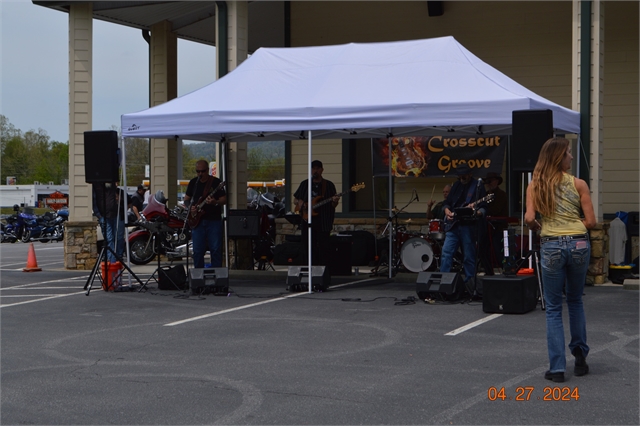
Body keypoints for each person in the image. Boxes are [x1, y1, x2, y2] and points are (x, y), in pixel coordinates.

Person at [525, 137, 596, 383]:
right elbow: (591, 222)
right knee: (575, 301)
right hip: (578, 243)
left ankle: (556, 369)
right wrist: (574, 227)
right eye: (568, 153)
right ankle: (580, 357)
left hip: (551, 245)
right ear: (559, 157)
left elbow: (529, 218)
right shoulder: (579, 184)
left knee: (554, 308)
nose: (572, 157)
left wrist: (539, 226)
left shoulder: (536, 185)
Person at [439, 163, 487, 292]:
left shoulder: (477, 186)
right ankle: (444, 283)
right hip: (453, 224)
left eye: (464, 176)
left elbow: (484, 206)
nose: (461, 178)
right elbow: (446, 203)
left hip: (468, 225)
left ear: (470, 174)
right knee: (446, 252)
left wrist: (478, 212)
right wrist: (446, 211)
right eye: (460, 176)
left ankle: (470, 285)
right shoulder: (456, 186)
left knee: (469, 256)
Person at [293, 160, 339, 266]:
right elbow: (295, 200)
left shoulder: (328, 185)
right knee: (308, 247)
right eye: (313, 168)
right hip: (307, 221)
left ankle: (323, 271)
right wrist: (300, 202)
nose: (315, 171)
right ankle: (308, 269)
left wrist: (335, 201)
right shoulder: (305, 184)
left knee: (324, 248)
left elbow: (333, 206)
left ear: (322, 170)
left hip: (323, 221)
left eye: (318, 168)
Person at [184, 160, 227, 269]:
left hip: (213, 220)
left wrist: (215, 202)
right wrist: (191, 207)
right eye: (197, 171)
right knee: (197, 250)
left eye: (202, 171)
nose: (200, 174)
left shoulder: (216, 182)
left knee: (215, 249)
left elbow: (224, 199)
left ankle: (217, 275)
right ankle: (199, 276)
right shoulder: (194, 182)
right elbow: (186, 199)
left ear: (207, 170)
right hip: (197, 221)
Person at [93, 182, 131, 263]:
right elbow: (94, 201)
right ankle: (112, 259)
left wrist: (119, 200)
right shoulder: (97, 188)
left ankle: (118, 257)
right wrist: (99, 216)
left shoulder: (118, 191)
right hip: (105, 216)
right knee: (109, 238)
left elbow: (128, 202)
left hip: (117, 215)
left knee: (118, 237)